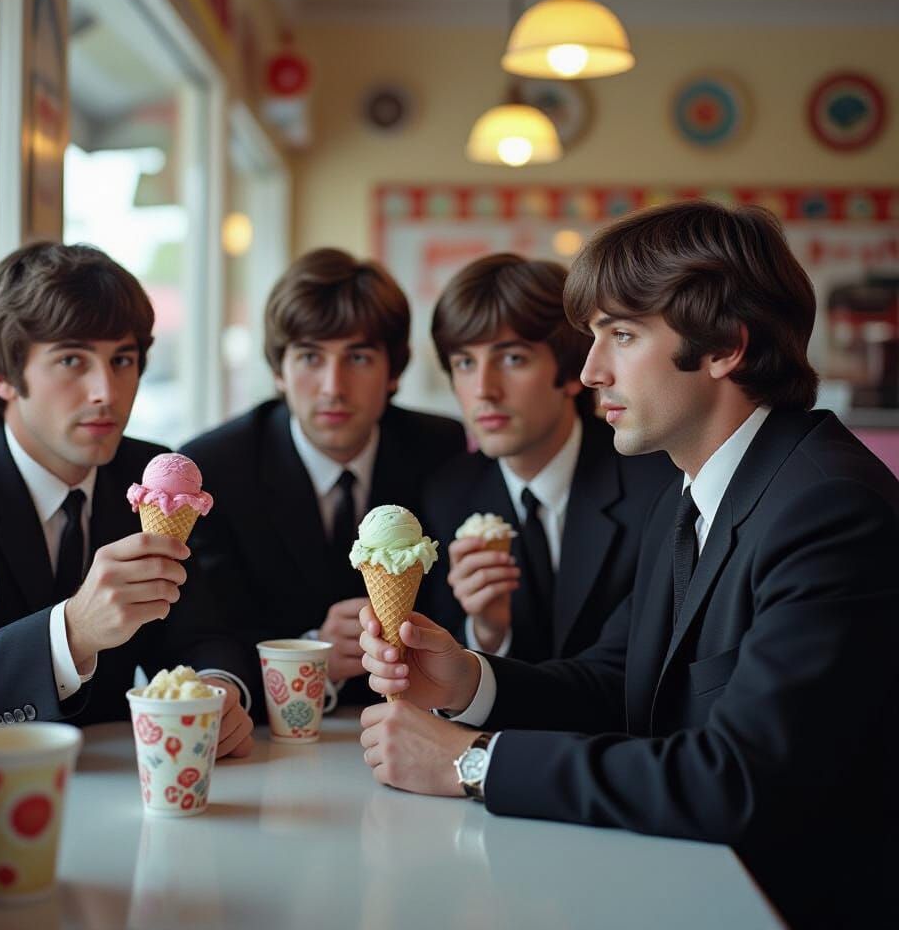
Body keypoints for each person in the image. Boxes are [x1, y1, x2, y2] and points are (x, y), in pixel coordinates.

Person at [357, 201, 899, 929]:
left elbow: (737, 781)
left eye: (621, 334)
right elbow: (621, 682)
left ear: (723, 347)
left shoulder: (827, 509)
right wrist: (468, 679)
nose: (589, 370)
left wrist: (472, 762)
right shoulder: (694, 490)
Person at [0, 242, 254, 757]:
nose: (106, 391)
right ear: (1, 375)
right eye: (72, 359)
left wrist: (219, 691)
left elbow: (205, 632)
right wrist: (72, 632)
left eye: (123, 359)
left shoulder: (154, 482)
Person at [181, 248, 466, 713]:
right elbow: (206, 635)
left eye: (357, 357)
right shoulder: (216, 468)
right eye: (311, 357)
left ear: (393, 371)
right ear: (279, 370)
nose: (333, 386)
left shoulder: (443, 451)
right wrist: (310, 651)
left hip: (419, 717)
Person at [422, 253, 675, 661]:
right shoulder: (447, 494)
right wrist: (487, 631)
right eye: (465, 362)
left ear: (572, 372)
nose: (484, 389)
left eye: (512, 359)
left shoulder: (655, 484)